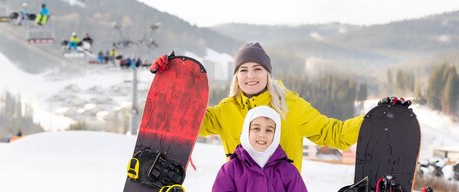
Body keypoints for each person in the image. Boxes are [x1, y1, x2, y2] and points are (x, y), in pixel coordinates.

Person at [150, 42, 366, 172]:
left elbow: (334, 134)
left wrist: (375, 119)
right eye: (243, 70)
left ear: (267, 74)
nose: (250, 76)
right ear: (236, 76)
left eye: (257, 69)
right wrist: (169, 79)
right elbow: (186, 120)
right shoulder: (226, 110)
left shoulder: (290, 106)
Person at [209, 106, 313, 192]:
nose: (262, 134)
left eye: (269, 130)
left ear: (276, 134)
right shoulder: (231, 171)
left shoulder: (288, 172)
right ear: (247, 130)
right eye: (256, 128)